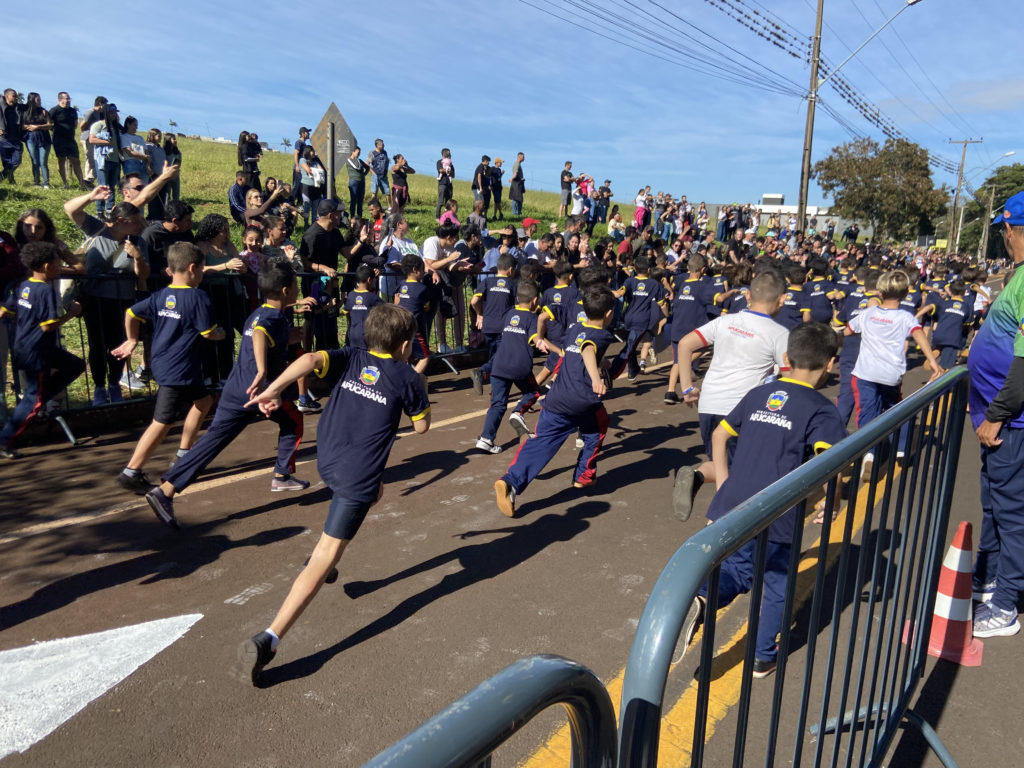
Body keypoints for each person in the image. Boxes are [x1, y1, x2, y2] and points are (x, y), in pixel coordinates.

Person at [233, 303, 429, 685]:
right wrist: (418, 381)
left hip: (329, 459)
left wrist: (273, 388)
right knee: (327, 551)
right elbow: (422, 427)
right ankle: (269, 639)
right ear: (406, 345)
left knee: (371, 489)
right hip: (355, 474)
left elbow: (308, 359)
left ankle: (326, 559)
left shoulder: (352, 357)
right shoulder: (406, 376)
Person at [683, 323, 847, 677]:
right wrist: (833, 500)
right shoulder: (821, 409)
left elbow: (720, 435)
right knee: (776, 583)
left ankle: (703, 598)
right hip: (777, 511)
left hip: (733, 502)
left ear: (786, 357)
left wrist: (723, 484)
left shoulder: (760, 393)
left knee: (738, 570)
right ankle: (761, 656)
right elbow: (831, 461)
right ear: (830, 364)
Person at [143, 259, 311, 527]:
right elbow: (260, 334)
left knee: (213, 440)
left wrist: (290, 336)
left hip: (235, 390)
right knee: (293, 421)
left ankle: (165, 490)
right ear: (285, 290)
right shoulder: (274, 318)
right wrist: (261, 370)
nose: (297, 290)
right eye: (295, 286)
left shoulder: (259, 312)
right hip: (258, 391)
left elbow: (263, 334)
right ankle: (282, 475)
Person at [671, 270, 790, 522]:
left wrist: (687, 388)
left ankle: (698, 477)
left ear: (747, 296)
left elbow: (684, 345)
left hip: (709, 403)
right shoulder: (780, 334)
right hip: (742, 409)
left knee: (721, 463)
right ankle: (720, 519)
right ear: (782, 299)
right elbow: (790, 378)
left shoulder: (724, 322)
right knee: (744, 471)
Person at [111, 242, 224, 493]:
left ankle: (184, 454)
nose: (202, 273)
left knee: (203, 401)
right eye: (202, 268)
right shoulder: (198, 297)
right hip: (179, 367)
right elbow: (208, 333)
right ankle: (131, 471)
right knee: (162, 421)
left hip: (170, 362)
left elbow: (131, 313)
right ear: (193, 268)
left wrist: (132, 339)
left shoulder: (161, 294)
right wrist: (221, 333)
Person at [493, 284, 616, 515]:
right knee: (598, 427)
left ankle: (510, 482)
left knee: (541, 443)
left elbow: (576, 352)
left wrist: (601, 363)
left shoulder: (576, 327)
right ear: (609, 313)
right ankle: (583, 475)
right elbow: (587, 350)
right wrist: (596, 379)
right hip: (581, 399)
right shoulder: (602, 334)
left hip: (556, 398)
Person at [968, 192, 1024, 638]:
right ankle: (988, 577)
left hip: (1011, 423)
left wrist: (997, 415)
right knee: (995, 503)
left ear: (1011, 230)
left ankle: (1005, 605)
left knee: (1012, 513)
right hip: (1002, 418)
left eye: (1004, 230)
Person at [0, 242, 85, 459]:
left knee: (75, 365)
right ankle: (4, 440)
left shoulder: (22, 285)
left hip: (28, 346)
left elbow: (5, 310)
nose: (60, 266)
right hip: (36, 350)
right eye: (58, 262)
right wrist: (71, 313)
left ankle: (41, 396)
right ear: (47, 266)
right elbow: (48, 326)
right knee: (32, 398)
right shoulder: (46, 290)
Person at [63, 187, 147, 404]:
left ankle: (115, 384)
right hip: (95, 300)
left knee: (118, 344)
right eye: (136, 222)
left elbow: (143, 275)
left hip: (123, 301)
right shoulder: (97, 229)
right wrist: (91, 197)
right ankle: (100, 388)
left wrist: (137, 258)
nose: (141, 226)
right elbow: (70, 209)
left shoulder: (137, 242)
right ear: (120, 221)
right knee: (97, 345)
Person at [847, 269, 941, 461]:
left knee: (867, 411)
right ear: (906, 293)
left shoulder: (869, 313)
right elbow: (919, 334)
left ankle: (869, 452)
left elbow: (848, 331)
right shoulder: (905, 317)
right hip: (890, 374)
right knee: (896, 409)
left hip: (865, 372)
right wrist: (932, 362)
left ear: (880, 292)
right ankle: (900, 448)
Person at [475, 281, 552, 453]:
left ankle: (486, 439)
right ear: (535, 300)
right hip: (519, 366)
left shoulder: (510, 313)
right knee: (533, 392)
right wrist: (543, 343)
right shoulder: (532, 318)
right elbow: (535, 336)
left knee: (497, 403)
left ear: (517, 298)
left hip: (499, 365)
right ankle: (518, 412)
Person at [195, 214, 246, 382]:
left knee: (227, 332)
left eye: (228, 230)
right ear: (212, 230)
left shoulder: (229, 246)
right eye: (223, 230)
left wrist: (241, 268)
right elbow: (199, 269)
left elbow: (239, 262)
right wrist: (225, 266)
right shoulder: (203, 246)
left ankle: (225, 372)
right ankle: (209, 373)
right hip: (209, 292)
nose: (227, 234)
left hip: (227, 292)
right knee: (210, 331)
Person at [299, 199, 344, 352]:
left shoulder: (336, 232)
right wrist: (323, 268)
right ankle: (308, 353)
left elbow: (346, 253)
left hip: (330, 283)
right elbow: (304, 262)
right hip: (313, 284)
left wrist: (361, 241)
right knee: (312, 317)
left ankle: (330, 350)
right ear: (331, 215)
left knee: (331, 314)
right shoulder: (312, 234)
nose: (341, 216)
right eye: (338, 213)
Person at [615, 253, 667, 383]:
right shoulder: (654, 284)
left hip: (628, 318)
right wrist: (666, 316)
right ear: (649, 270)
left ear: (635, 269)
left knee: (631, 346)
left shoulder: (629, 281)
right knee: (629, 348)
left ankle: (633, 370)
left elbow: (619, 293)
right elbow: (662, 304)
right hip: (643, 320)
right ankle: (612, 372)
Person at [470, 252, 517, 393]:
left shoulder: (487, 282)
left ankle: (494, 389)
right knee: (503, 357)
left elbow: (474, 301)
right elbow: (518, 306)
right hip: (504, 327)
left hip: (488, 326)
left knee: (494, 357)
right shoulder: (512, 284)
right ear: (510, 270)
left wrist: (479, 314)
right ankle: (482, 372)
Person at [394, 253, 432, 380]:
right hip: (413, 328)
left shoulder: (401, 285)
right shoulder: (422, 288)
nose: (423, 272)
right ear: (415, 270)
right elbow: (427, 307)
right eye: (422, 269)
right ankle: (410, 382)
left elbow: (397, 300)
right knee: (425, 357)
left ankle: (403, 379)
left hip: (399, 326)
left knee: (407, 356)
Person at [89, 104, 122, 216]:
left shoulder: (115, 127)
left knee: (112, 187)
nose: (114, 114)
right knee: (103, 185)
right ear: (106, 113)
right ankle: (100, 210)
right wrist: (107, 142)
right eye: (111, 112)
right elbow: (92, 139)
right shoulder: (98, 125)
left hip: (115, 160)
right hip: (102, 159)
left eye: (115, 112)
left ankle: (110, 209)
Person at [49, 91, 85, 189]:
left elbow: (75, 124)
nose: (69, 100)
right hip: (58, 139)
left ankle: (82, 184)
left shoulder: (73, 111)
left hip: (70, 139)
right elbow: (48, 123)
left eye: (69, 98)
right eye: (67, 98)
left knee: (76, 160)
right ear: (60, 99)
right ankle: (65, 183)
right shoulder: (54, 110)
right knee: (61, 160)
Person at [342, 264, 383, 349]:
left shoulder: (351, 295)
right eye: (374, 280)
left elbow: (347, 313)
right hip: (368, 336)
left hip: (353, 335)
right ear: (369, 280)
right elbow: (387, 311)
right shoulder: (373, 297)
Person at [21, 93, 53, 189]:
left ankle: (46, 183)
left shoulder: (44, 112)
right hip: (30, 138)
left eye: (40, 99)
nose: (40, 101)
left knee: (43, 162)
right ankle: (37, 182)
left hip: (44, 138)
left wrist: (38, 127)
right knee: (35, 161)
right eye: (38, 100)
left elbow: (49, 125)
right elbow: (21, 125)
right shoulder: (25, 112)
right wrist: (27, 126)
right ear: (32, 100)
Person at [0, 88, 25, 183]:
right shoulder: (1, 105)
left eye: (16, 96)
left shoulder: (18, 107)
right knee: (6, 161)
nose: (16, 98)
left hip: (16, 137)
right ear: (6, 96)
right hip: (3, 138)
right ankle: (11, 179)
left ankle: (2, 176)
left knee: (17, 160)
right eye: (14, 96)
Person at [298, 146, 327, 225]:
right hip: (306, 187)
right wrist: (316, 171)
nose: (314, 153)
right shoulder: (302, 160)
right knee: (307, 206)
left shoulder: (315, 162)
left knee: (315, 208)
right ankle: (306, 224)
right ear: (308, 151)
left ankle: (313, 225)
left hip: (316, 187)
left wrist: (316, 171)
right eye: (312, 151)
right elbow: (308, 170)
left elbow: (322, 171)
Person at [346, 146, 370, 219]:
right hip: (353, 182)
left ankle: (359, 218)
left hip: (361, 182)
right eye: (357, 152)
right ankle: (352, 218)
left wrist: (364, 175)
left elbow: (367, 168)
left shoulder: (360, 161)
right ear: (353, 152)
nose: (359, 154)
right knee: (353, 200)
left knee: (360, 201)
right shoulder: (348, 160)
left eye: (359, 152)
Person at [291, 127, 310, 206]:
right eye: (307, 132)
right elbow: (296, 153)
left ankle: (300, 203)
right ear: (303, 134)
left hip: (303, 169)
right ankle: (291, 202)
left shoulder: (304, 144)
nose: (309, 134)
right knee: (296, 186)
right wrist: (297, 166)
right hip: (298, 168)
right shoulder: (299, 142)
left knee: (302, 187)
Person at [369, 138, 390, 206]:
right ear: (377, 145)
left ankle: (389, 206)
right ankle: (373, 205)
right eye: (381, 144)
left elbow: (387, 161)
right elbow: (367, 164)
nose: (383, 145)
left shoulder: (385, 152)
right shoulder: (372, 153)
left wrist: (386, 169)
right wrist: (373, 172)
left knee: (387, 192)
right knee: (374, 192)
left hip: (384, 175)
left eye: (383, 144)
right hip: (375, 175)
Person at [435, 147, 455, 220]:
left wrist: (449, 171)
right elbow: (440, 170)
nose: (450, 155)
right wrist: (447, 170)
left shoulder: (451, 164)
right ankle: (437, 217)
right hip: (442, 183)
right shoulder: (439, 162)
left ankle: (446, 217)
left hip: (449, 184)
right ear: (444, 154)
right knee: (440, 201)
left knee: (449, 202)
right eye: (449, 153)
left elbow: (453, 174)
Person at [163, 133, 182, 201]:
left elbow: (179, 163)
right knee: (167, 194)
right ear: (168, 140)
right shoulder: (163, 152)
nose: (175, 140)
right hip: (167, 175)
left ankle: (176, 205)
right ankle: (167, 206)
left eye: (175, 139)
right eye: (174, 139)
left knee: (176, 193)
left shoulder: (178, 152)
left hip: (175, 175)